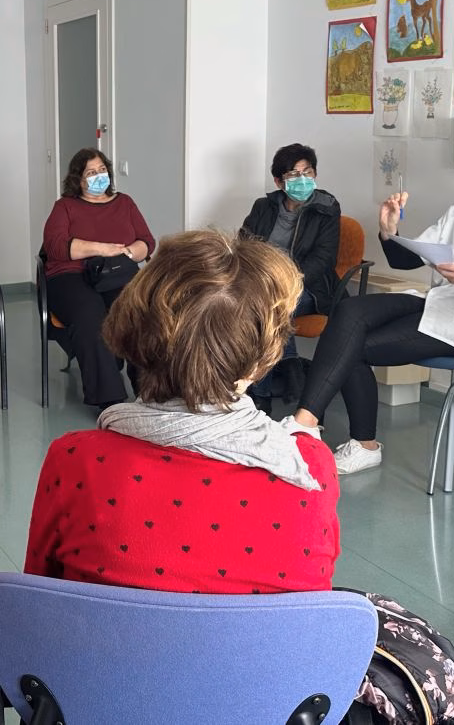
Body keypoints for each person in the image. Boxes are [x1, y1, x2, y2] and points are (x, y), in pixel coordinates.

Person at [25, 230, 339, 594]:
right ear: (262, 360)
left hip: (106, 650)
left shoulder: (74, 459)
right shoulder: (309, 467)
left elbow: (40, 593)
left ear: (133, 331)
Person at [295, 125, 454, 474]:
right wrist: (389, 230)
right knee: (349, 309)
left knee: (354, 346)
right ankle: (307, 422)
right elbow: (405, 260)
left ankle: (354, 441)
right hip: (442, 303)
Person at [41, 148, 155, 409]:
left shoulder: (125, 203)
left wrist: (127, 251)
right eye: (90, 172)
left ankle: (148, 392)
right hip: (70, 275)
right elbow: (55, 246)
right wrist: (102, 248)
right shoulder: (65, 207)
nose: (98, 176)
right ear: (78, 180)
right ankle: (110, 400)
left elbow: (147, 241)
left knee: (138, 314)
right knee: (90, 319)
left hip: (116, 271)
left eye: (102, 170)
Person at [240, 144, 341, 408]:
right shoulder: (263, 207)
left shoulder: (327, 207)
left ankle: (260, 399)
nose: (303, 180)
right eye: (294, 175)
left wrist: (284, 283)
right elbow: (245, 246)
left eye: (307, 172)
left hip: (310, 288)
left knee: (268, 312)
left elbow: (323, 259)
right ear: (278, 181)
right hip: (262, 286)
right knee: (242, 306)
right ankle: (290, 369)